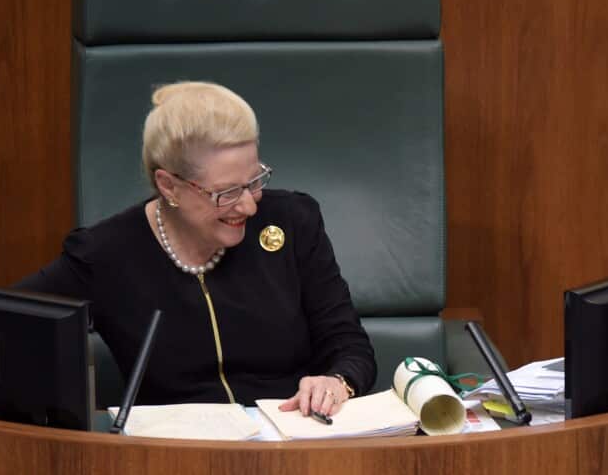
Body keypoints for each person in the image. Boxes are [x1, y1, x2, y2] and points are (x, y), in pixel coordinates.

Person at [19, 81, 375, 418]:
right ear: (169, 186)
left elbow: (348, 343)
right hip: (174, 459)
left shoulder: (293, 221)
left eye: (254, 182)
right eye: (226, 193)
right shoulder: (104, 254)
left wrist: (338, 380)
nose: (249, 207)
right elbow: (6, 327)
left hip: (292, 444)